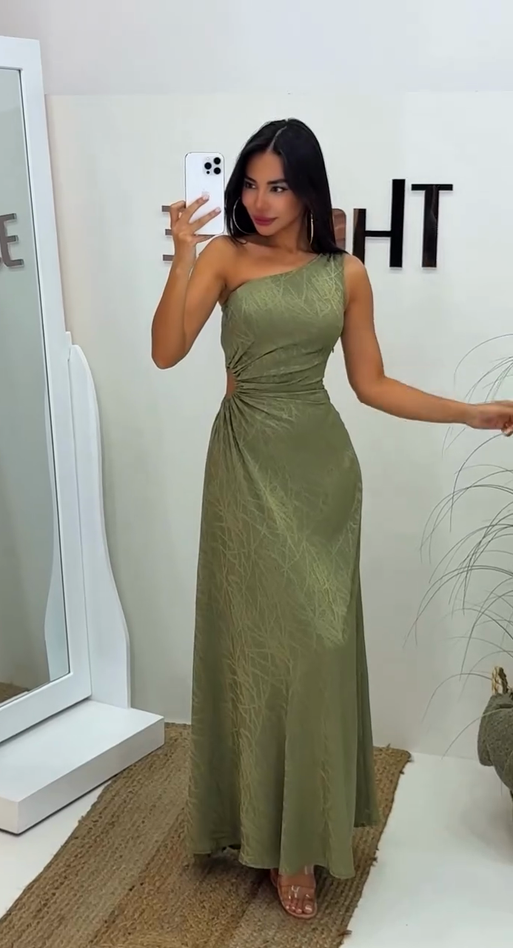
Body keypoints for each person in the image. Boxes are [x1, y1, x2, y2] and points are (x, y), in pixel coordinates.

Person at [151, 118, 513, 920]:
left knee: (316, 648)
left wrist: (470, 412)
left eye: (278, 185)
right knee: (254, 649)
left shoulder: (344, 273)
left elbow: (372, 384)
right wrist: (181, 259)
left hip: (320, 475)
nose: (260, 200)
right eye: (250, 184)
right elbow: (167, 351)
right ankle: (250, 825)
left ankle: (301, 840)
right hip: (244, 470)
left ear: (307, 188)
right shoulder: (224, 257)